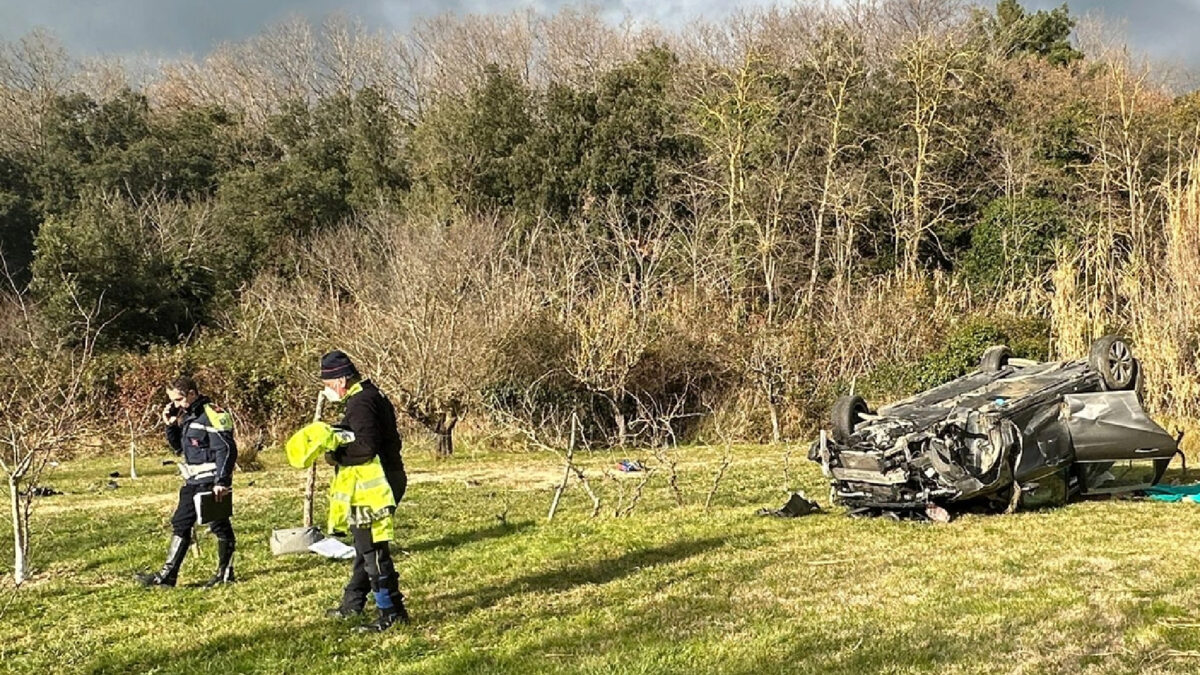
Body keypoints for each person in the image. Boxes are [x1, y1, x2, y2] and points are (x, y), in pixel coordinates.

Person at [318, 349, 409, 632]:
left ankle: (390, 612)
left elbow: (366, 446)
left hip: (375, 486)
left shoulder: (361, 402)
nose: (327, 391)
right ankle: (352, 603)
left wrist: (335, 454)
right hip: (387, 477)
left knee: (373, 551)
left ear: (341, 380)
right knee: (364, 545)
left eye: (328, 385)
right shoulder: (371, 395)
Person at [136, 376, 237, 588]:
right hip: (192, 480)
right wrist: (170, 425)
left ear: (192, 393)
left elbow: (226, 449)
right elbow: (180, 449)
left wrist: (222, 481)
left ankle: (224, 574)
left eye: (180, 399)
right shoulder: (187, 415)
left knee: (218, 524)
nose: (176, 404)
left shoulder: (212, 414)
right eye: (173, 400)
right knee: (182, 522)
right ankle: (168, 576)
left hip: (211, 480)